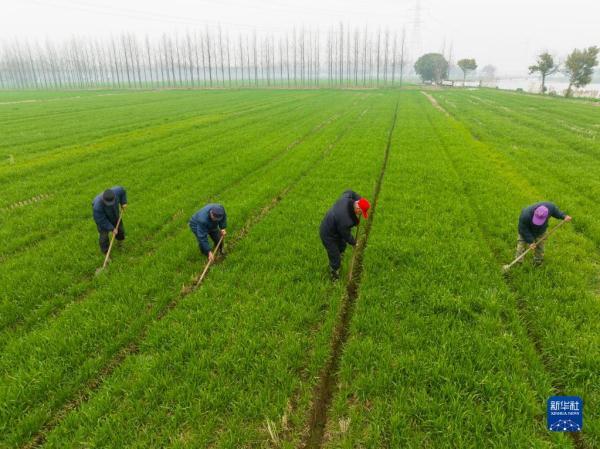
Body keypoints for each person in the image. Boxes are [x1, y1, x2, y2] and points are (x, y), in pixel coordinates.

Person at [320, 190, 370, 280]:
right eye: (361, 213)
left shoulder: (346, 199)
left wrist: (361, 200)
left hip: (335, 227)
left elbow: (349, 191)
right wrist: (354, 242)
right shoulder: (346, 220)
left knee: (342, 245)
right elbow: (346, 235)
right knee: (335, 256)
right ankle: (334, 274)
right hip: (328, 234)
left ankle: (340, 256)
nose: (361, 215)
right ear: (358, 209)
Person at [516, 201, 571, 265]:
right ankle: (518, 262)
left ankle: (537, 261)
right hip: (526, 230)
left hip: (541, 230)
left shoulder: (550, 207)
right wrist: (530, 241)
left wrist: (564, 216)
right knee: (521, 245)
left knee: (540, 246)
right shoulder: (525, 215)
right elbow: (523, 230)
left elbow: (556, 212)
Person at [92, 186, 127, 254]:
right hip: (103, 220)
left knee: (120, 230)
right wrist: (112, 228)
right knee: (104, 237)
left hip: (114, 214)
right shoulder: (97, 206)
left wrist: (123, 202)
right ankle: (106, 252)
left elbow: (123, 191)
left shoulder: (116, 191)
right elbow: (101, 221)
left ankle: (120, 243)